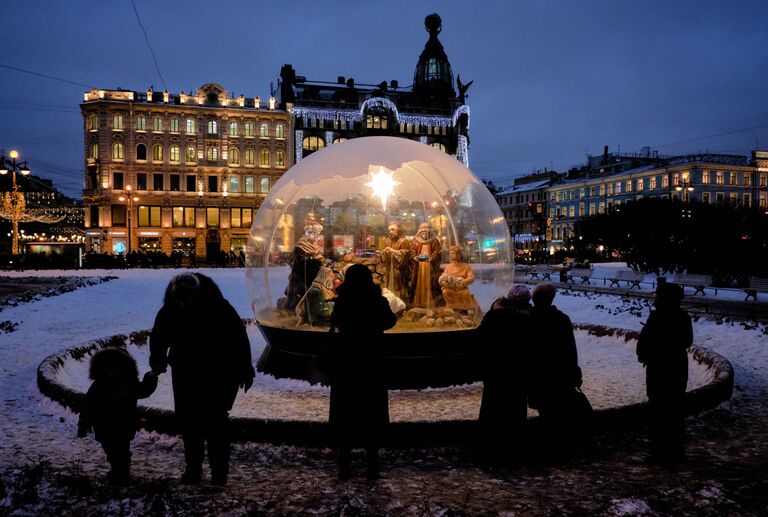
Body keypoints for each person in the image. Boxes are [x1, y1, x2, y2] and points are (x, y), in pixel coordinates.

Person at [149, 273, 255, 486]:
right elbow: (159, 337)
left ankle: (219, 473)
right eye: (179, 300)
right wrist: (158, 361)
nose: (182, 304)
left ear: (196, 295)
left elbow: (238, 339)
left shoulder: (219, 308)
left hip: (218, 374)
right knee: (190, 424)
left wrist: (244, 369)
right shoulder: (171, 309)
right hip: (186, 373)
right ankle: (194, 470)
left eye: (186, 299)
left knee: (215, 424)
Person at [326, 263, 397, 480]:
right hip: (371, 362)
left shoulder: (343, 300)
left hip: (347, 363)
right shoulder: (377, 300)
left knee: (346, 411)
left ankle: (345, 463)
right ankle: (372, 463)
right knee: (371, 411)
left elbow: (335, 321)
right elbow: (390, 321)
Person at [77, 347, 158, 484]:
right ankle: (120, 471)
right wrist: (150, 378)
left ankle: (120, 472)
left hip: (108, 425)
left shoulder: (102, 384)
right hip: (120, 424)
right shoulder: (124, 383)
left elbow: (88, 406)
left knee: (117, 449)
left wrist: (84, 423)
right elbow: (143, 391)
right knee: (117, 449)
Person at [475, 284, 533, 465]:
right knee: (515, 408)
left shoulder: (494, 315)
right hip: (517, 372)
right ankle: (515, 448)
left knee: (492, 407)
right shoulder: (529, 319)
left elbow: (480, 338)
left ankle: (489, 448)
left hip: (495, 371)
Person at [636, 282, 692, 467]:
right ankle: (674, 451)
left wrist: (647, 354)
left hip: (660, 368)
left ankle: (661, 451)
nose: (654, 297)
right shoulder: (682, 316)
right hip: (676, 368)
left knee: (660, 409)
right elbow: (686, 340)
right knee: (674, 410)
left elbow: (647, 340)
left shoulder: (658, 316)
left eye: (657, 295)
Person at [528, 282, 584, 460]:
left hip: (539, 375)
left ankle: (549, 446)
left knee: (545, 410)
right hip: (559, 375)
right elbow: (570, 349)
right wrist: (574, 373)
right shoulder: (561, 319)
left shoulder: (529, 318)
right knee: (559, 410)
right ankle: (561, 446)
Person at [281, 222, 325, 311]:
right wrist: (316, 260)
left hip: (311, 276)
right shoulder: (301, 246)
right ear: (309, 233)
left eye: (318, 234)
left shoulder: (313, 246)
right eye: (315, 234)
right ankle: (294, 312)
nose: (317, 237)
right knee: (298, 296)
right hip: (300, 277)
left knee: (309, 296)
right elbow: (302, 262)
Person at [409, 223, 441, 308]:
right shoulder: (415, 240)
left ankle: (430, 301)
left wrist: (432, 258)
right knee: (419, 280)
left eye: (427, 228)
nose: (425, 230)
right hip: (419, 265)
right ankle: (418, 301)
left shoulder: (434, 240)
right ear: (419, 230)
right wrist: (414, 257)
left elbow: (437, 251)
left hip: (429, 265)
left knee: (430, 281)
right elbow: (412, 250)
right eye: (423, 228)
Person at [378, 221, 411, 302]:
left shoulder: (404, 240)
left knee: (398, 286)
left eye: (393, 229)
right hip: (389, 268)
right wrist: (383, 253)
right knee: (389, 285)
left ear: (398, 229)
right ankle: (390, 302)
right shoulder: (387, 240)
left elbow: (406, 253)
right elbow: (384, 257)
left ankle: (399, 303)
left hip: (398, 269)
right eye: (389, 230)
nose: (391, 232)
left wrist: (394, 251)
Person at [438, 245, 478, 311]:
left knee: (465, 293)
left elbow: (471, 277)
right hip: (450, 287)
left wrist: (463, 282)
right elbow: (442, 277)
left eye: (453, 253)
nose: (451, 255)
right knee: (445, 291)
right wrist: (444, 282)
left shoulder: (466, 266)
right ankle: (451, 307)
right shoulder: (448, 267)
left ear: (459, 254)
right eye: (450, 253)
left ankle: (465, 308)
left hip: (461, 287)